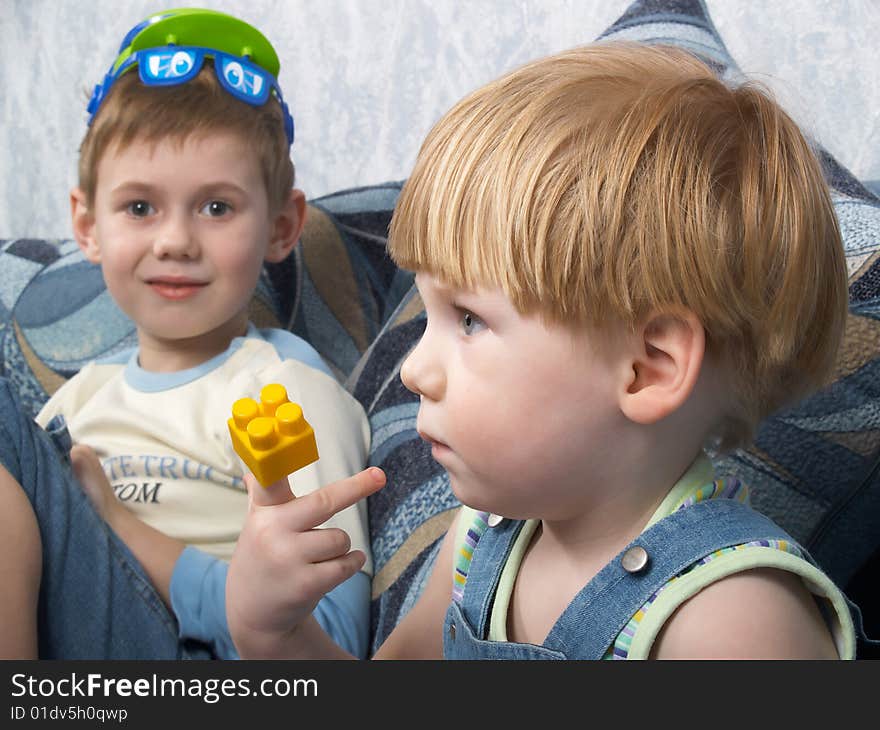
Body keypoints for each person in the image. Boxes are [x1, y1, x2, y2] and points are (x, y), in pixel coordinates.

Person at [224, 41, 865, 659]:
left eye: (469, 319)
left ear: (648, 368)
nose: (413, 370)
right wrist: (272, 634)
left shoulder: (734, 623)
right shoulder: (482, 536)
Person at [0, 7, 373, 660]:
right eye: (139, 207)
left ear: (283, 227)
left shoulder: (283, 393)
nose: (174, 241)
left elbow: (328, 647)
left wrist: (117, 524)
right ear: (87, 225)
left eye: (216, 207)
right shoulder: (78, 401)